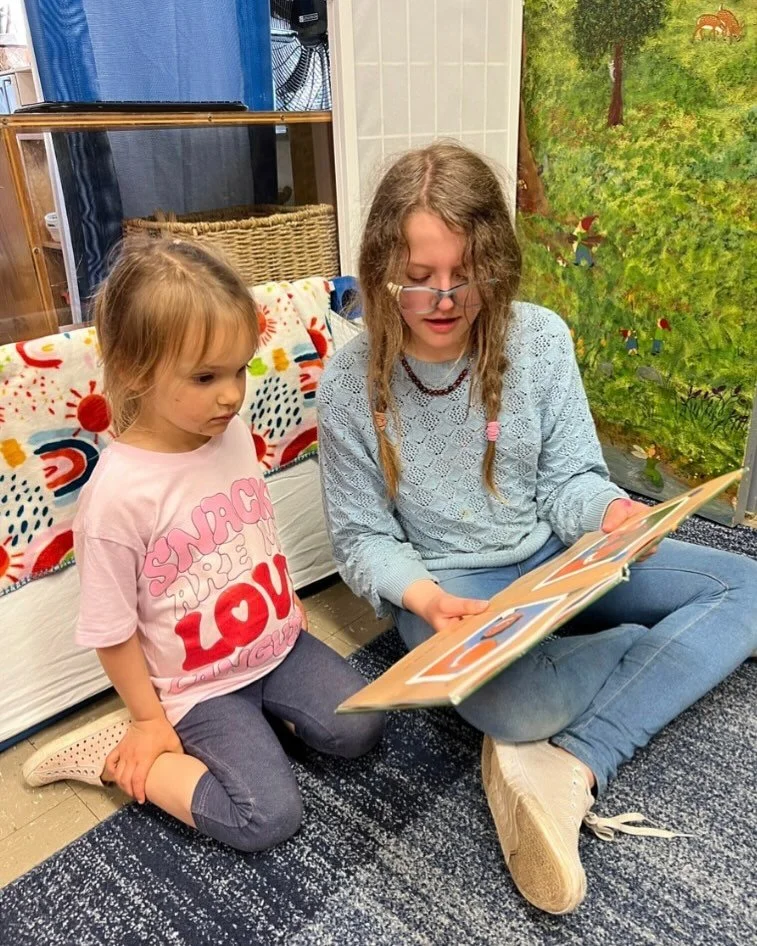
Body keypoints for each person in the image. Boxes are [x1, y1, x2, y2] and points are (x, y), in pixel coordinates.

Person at [315, 141, 757, 914]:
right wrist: (420, 598)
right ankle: (624, 665)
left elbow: (568, 481)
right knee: (512, 706)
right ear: (383, 273)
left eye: (466, 275)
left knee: (745, 587)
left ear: (497, 262)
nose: (445, 299)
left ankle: (571, 763)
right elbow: (359, 537)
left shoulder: (540, 338)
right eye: (418, 282)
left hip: (561, 562)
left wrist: (613, 517)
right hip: (453, 590)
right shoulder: (350, 386)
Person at [23, 239, 384, 852]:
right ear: (139, 371)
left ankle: (259, 729)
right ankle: (118, 755)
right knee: (267, 817)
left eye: (239, 369)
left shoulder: (233, 434)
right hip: (197, 688)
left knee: (364, 728)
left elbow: (249, 535)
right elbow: (111, 630)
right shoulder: (117, 498)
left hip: (278, 645)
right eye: (205, 376)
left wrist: (286, 605)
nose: (231, 394)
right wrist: (147, 719)